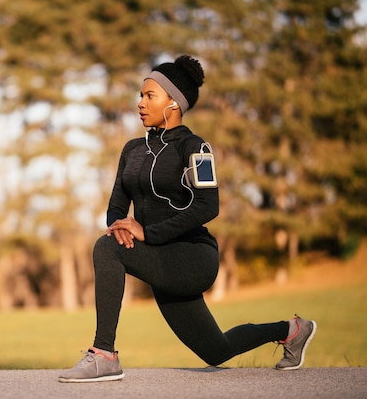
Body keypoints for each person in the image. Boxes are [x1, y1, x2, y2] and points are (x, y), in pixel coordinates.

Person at [58, 55, 317, 383]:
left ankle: (104, 355)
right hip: (161, 260)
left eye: (149, 96)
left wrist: (146, 233)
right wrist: (119, 227)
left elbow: (208, 206)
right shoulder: (131, 150)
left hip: (193, 258)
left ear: (174, 103)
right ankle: (293, 330)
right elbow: (117, 204)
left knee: (106, 249)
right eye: (140, 95)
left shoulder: (196, 148)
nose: (140, 103)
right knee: (216, 350)